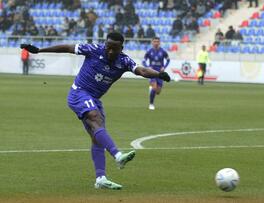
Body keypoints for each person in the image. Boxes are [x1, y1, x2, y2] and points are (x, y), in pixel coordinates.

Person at [20, 32, 171, 190]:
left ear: (121, 48)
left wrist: (159, 74)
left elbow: (141, 71)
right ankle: (118, 156)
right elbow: (67, 47)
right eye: (108, 47)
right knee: (94, 116)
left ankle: (100, 178)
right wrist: (39, 50)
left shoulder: (124, 61)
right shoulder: (93, 49)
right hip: (79, 92)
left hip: (94, 99)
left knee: (97, 136)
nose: (110, 51)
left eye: (115, 48)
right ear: (105, 44)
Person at [142, 37, 170, 110]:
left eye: (157, 41)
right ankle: (151, 104)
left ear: (159, 42)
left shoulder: (163, 51)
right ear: (152, 42)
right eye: (154, 41)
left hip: (160, 73)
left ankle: (151, 89)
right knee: (154, 87)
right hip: (152, 72)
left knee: (158, 92)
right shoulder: (149, 51)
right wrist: (147, 67)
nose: (156, 43)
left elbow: (168, 60)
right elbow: (143, 61)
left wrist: (164, 67)